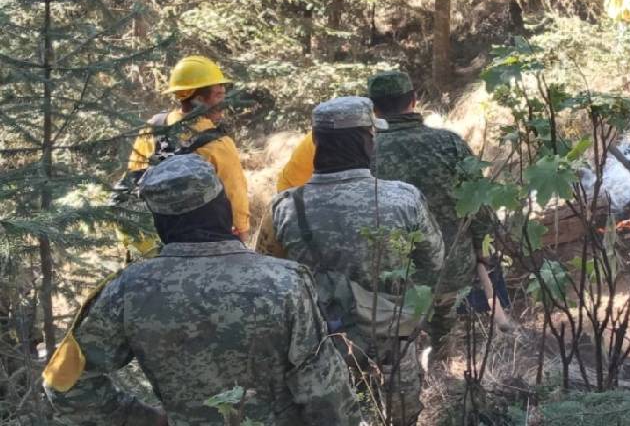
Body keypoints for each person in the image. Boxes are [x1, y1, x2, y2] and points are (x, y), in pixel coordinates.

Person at [43, 154, 362, 426]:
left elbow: (63, 383)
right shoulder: (286, 282)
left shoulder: (126, 290)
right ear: (223, 208)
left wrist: (145, 419)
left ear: (160, 223)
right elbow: (325, 393)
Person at [271, 96, 444, 425]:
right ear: (367, 141)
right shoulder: (403, 198)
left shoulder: (285, 207)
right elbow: (435, 262)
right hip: (392, 350)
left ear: (317, 142)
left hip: (319, 359)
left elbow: (271, 278)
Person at [368, 71, 499, 351]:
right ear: (414, 101)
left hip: (396, 275)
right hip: (452, 267)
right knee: (444, 330)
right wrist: (482, 250)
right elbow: (478, 202)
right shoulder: (449, 143)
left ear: (374, 108)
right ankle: (443, 363)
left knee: (404, 342)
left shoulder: (366, 151)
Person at [119, 55, 250, 251]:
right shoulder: (218, 144)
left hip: (151, 242)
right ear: (198, 100)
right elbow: (236, 196)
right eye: (218, 95)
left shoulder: (153, 127)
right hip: (202, 243)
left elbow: (133, 178)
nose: (224, 102)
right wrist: (242, 233)